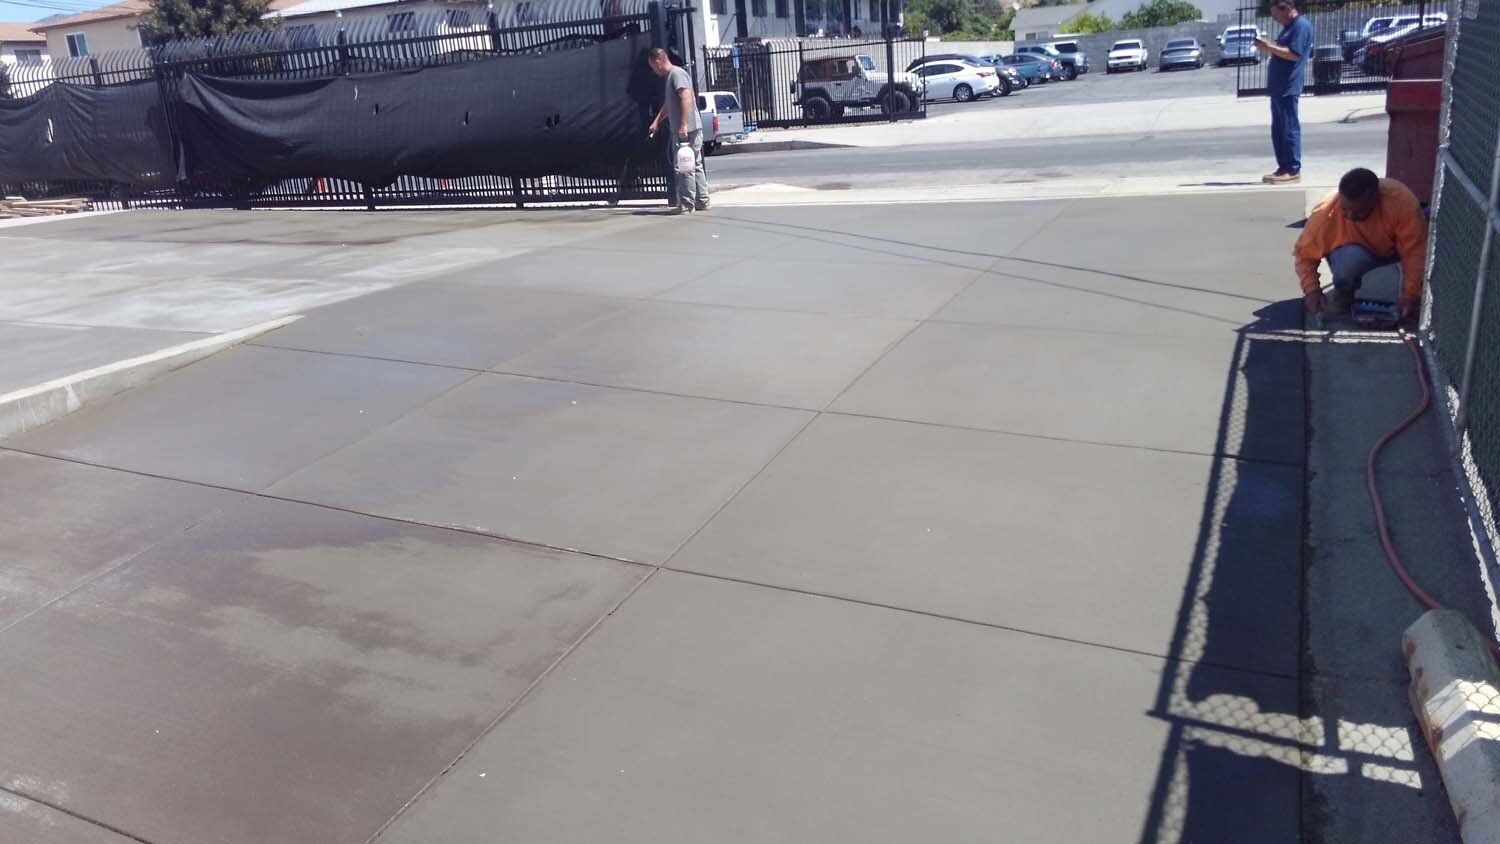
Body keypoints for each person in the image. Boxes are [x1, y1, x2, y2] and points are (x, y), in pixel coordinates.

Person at [1295, 168, 1428, 321]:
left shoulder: (1401, 201)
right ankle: (1345, 293)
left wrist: (1410, 295)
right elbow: (1304, 255)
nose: (1350, 217)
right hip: (1352, 253)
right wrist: (1311, 290)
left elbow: (1414, 251)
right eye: (1345, 210)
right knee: (1348, 262)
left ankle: (1415, 299)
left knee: (1424, 234)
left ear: (1376, 199)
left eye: (1359, 212)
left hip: (1394, 248)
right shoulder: (1324, 215)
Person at [1254, 0, 1314, 185]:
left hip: (1288, 86)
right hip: (1279, 88)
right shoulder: (1288, 27)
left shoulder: (1300, 26)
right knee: (1279, 129)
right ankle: (1283, 167)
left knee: (1289, 128)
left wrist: (1268, 47)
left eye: (1276, 15)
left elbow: (1293, 54)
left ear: (1287, 9)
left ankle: (1293, 169)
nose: (1275, 19)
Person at [645, 48, 710, 214]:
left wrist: (683, 125)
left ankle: (687, 204)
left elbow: (686, 98)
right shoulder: (673, 76)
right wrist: (657, 121)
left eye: (651, 65)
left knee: (684, 165)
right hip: (691, 127)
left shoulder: (676, 75)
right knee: (694, 163)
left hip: (686, 129)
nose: (652, 70)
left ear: (657, 61)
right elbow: (669, 104)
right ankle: (702, 200)